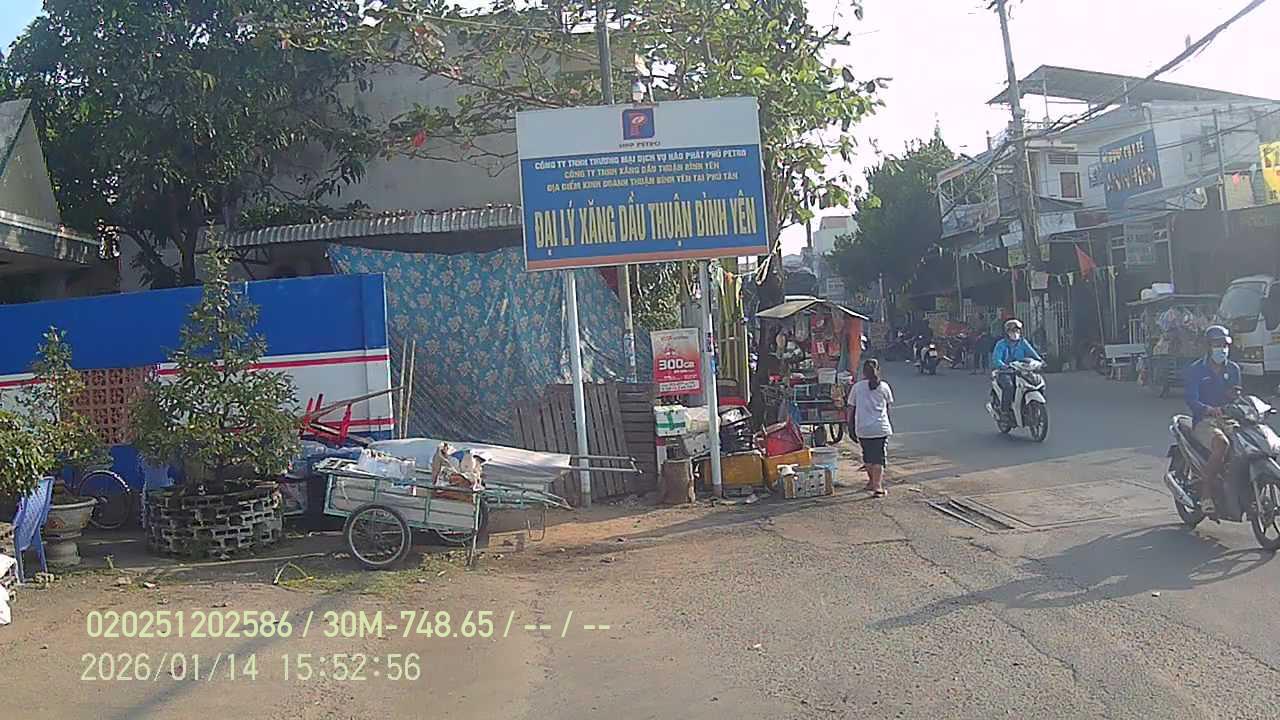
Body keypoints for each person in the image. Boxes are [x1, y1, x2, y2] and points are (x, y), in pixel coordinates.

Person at [1183, 325, 1242, 515]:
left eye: (1225, 345)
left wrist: (1236, 398)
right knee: (1221, 444)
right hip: (1204, 421)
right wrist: (1208, 409)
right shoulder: (1196, 370)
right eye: (1217, 345)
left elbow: (1237, 394)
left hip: (1228, 418)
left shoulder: (1233, 369)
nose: (1222, 349)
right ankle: (1206, 493)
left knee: (1247, 443)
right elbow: (1191, 399)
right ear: (1208, 347)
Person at [848, 358, 894, 498]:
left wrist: (850, 426)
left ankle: (872, 482)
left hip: (863, 429)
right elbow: (888, 407)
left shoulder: (857, 387)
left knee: (867, 456)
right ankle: (877, 486)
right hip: (880, 428)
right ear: (878, 370)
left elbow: (850, 408)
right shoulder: (884, 387)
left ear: (863, 372)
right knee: (878, 457)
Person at [991, 319, 1042, 415]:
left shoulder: (1023, 342)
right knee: (1009, 386)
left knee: (1037, 382)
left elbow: (1032, 353)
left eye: (1017, 331)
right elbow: (996, 359)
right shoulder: (1001, 344)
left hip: (1022, 370)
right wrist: (1004, 366)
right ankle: (1005, 411)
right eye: (1012, 331)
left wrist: (1040, 361)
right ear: (1007, 333)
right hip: (1006, 372)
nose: (1015, 333)